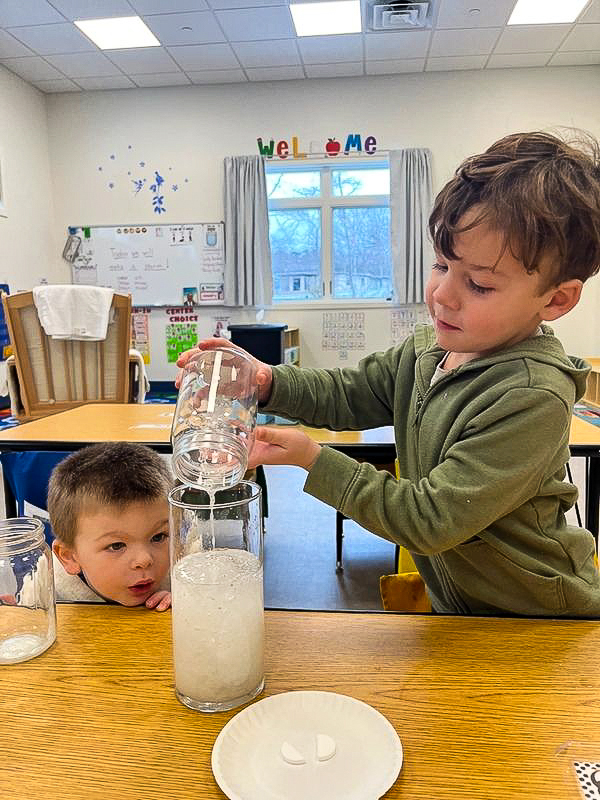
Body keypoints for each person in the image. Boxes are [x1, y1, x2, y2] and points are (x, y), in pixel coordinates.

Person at [179, 130, 600, 617]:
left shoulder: (530, 395)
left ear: (555, 300)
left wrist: (314, 460)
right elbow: (348, 393)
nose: (443, 294)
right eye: (441, 265)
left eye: (480, 285)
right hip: (464, 610)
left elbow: (430, 518)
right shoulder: (428, 350)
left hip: (539, 619)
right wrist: (267, 380)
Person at [32, 442, 172, 610]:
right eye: (117, 545)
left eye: (158, 537)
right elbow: (28, 623)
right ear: (70, 557)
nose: (144, 560)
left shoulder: (183, 570)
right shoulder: (45, 585)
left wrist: (190, 603)